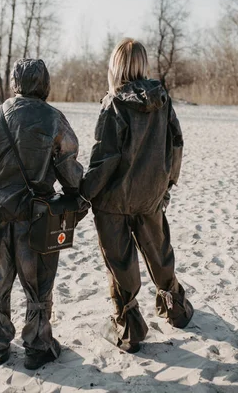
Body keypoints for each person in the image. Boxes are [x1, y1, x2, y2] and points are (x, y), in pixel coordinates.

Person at [0, 59, 83, 369]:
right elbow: (70, 170)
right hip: (35, 217)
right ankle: (37, 347)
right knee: (38, 285)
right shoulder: (54, 119)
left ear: (15, 83)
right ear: (45, 84)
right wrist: (77, 196)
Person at [80, 38, 194, 353]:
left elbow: (105, 160)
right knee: (159, 253)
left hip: (114, 202)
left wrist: (83, 192)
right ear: (142, 65)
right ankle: (177, 310)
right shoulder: (162, 98)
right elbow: (177, 143)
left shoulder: (114, 103)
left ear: (115, 66)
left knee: (120, 263)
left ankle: (129, 330)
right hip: (150, 196)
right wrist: (167, 185)